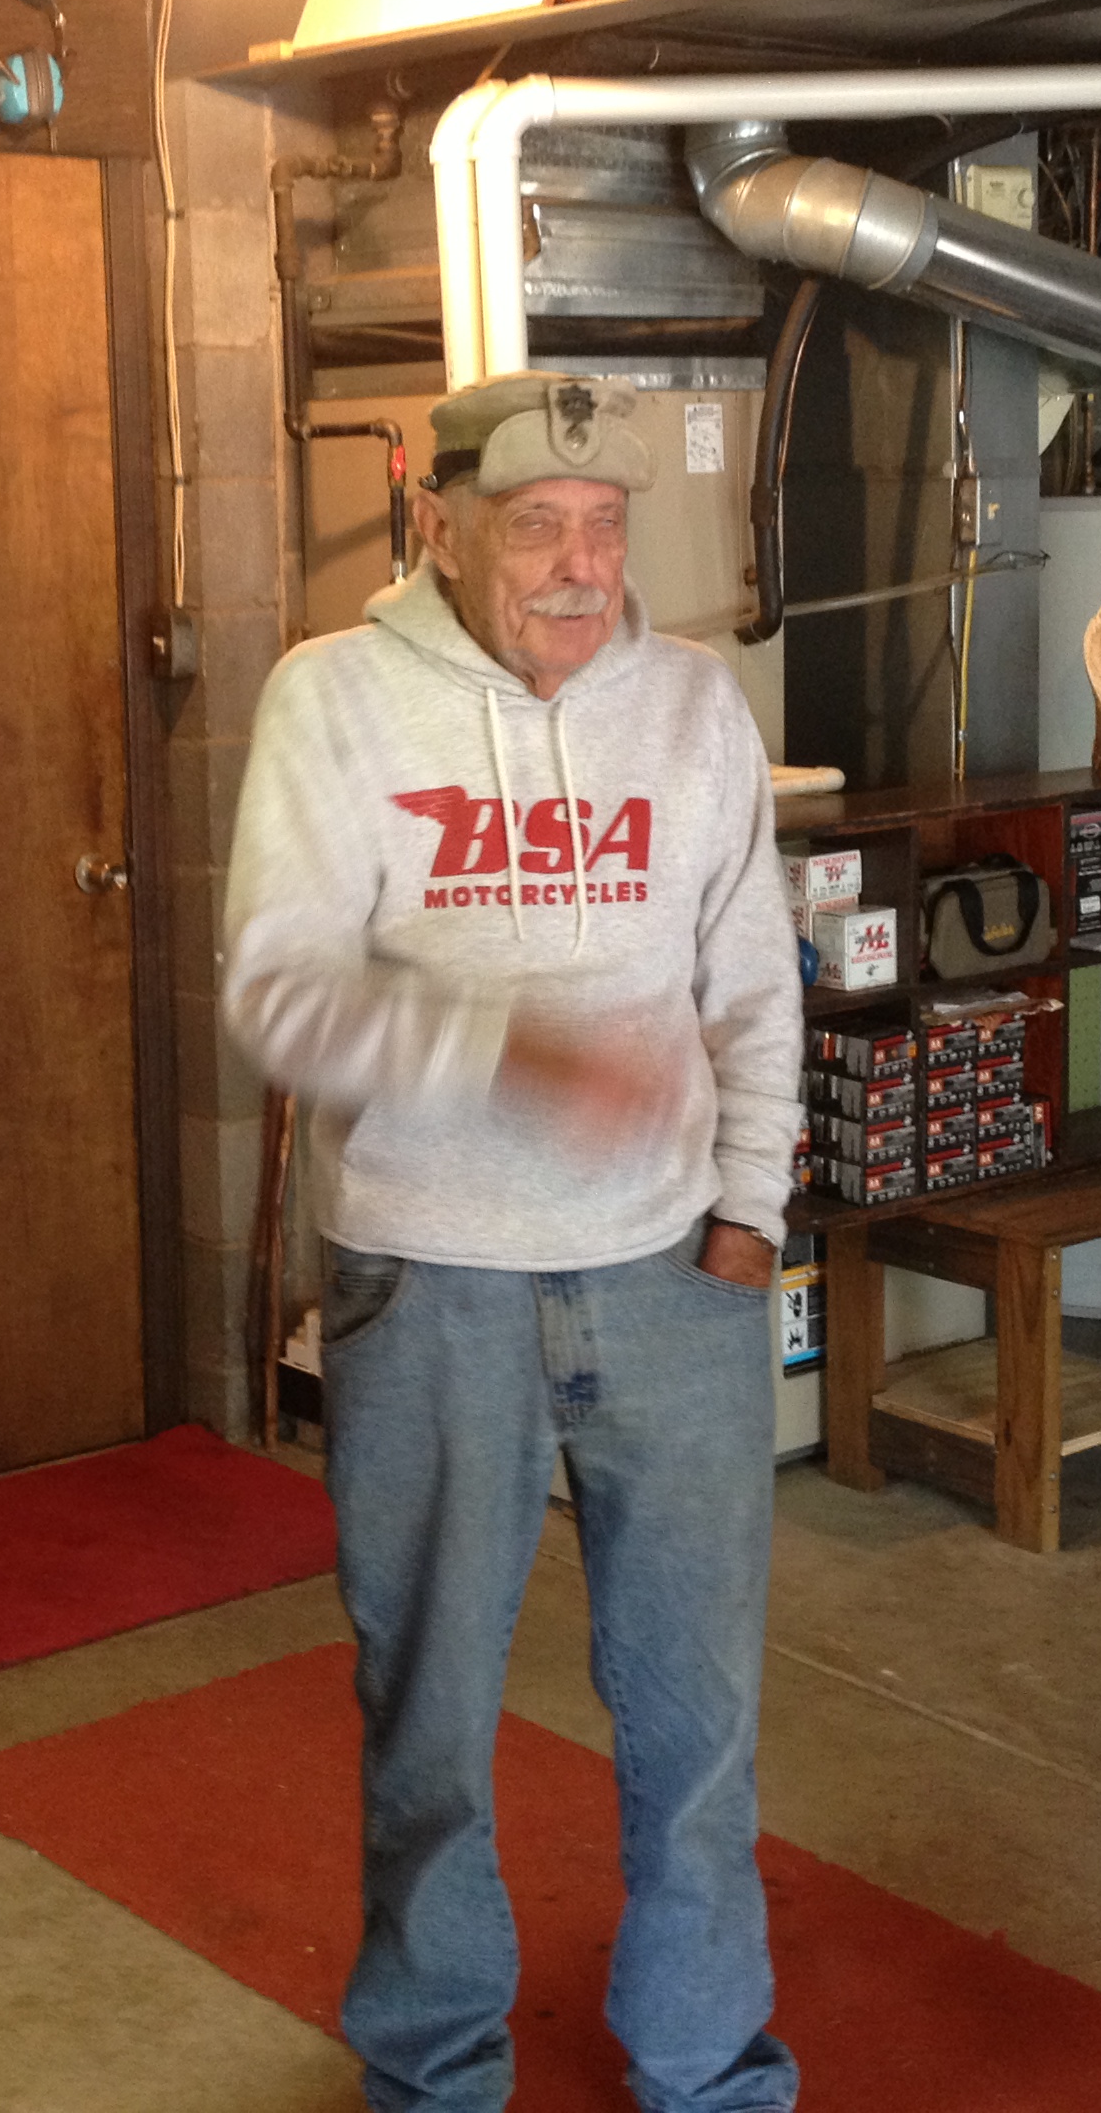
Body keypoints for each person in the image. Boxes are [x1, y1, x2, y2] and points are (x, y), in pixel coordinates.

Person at [223, 371, 803, 2113]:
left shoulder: (692, 707)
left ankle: (707, 2066)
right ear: (442, 526)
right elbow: (281, 996)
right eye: (537, 524)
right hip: (430, 1280)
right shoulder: (334, 698)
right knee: (428, 1723)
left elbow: (752, 980)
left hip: (670, 1276)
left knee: (699, 1718)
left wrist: (750, 1210)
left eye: (605, 527)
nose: (578, 565)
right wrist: (513, 1056)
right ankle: (434, 2072)